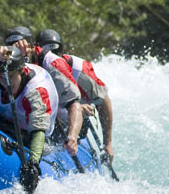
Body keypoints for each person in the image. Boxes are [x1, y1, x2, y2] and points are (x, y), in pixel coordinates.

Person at [0, 46, 59, 193]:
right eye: (2, 77)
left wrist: (33, 165)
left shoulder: (36, 91)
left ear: (21, 72)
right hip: (9, 122)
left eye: (11, 76)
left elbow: (38, 131)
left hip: (34, 136)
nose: (6, 82)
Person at [35, 29, 115, 162]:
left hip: (72, 120)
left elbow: (103, 100)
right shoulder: (33, 66)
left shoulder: (80, 71)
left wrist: (107, 144)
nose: (53, 61)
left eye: (56, 54)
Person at [5, 28, 83, 155]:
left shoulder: (54, 63)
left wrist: (72, 136)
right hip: (26, 114)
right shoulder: (10, 59)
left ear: (31, 46)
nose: (18, 51)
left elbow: (74, 104)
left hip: (56, 122)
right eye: (13, 48)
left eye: (22, 46)